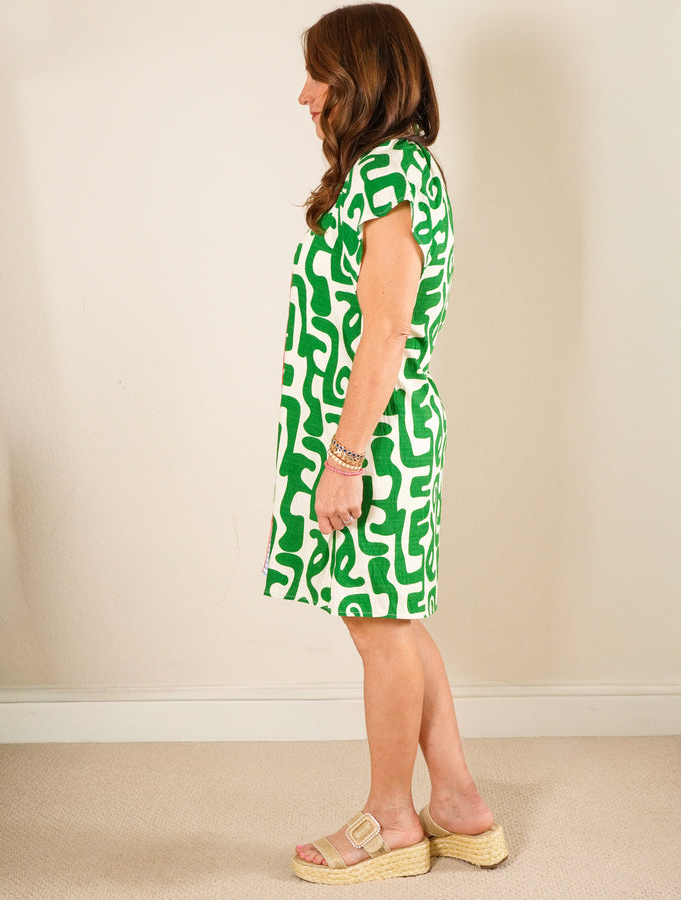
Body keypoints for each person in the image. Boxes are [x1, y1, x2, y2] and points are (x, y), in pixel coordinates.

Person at [262, 3, 508, 886]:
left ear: (361, 79)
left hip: (375, 439)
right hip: (373, 433)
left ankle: (393, 819)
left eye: (319, 76)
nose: (305, 95)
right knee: (393, 622)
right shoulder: (389, 170)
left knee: (380, 632)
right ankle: (461, 803)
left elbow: (387, 329)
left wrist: (345, 459)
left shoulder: (389, 173)